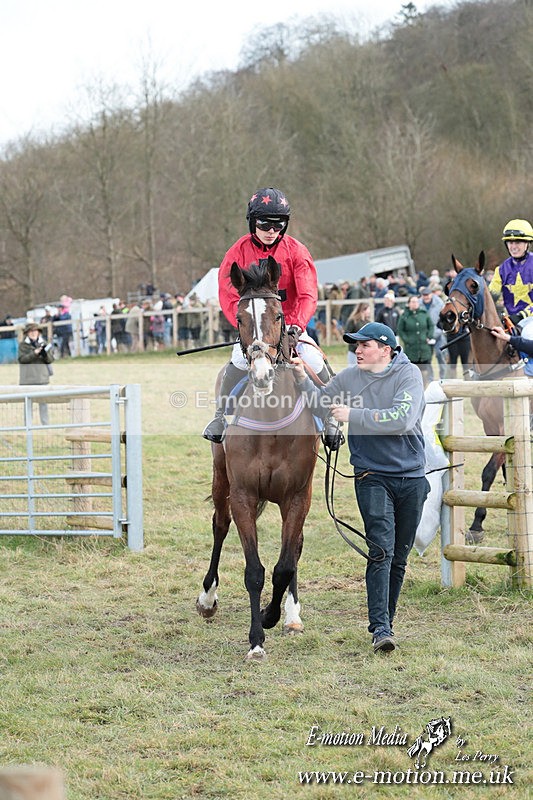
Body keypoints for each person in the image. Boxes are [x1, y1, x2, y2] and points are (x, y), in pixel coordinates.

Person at [292, 322, 429, 653]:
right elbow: (321, 404)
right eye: (355, 345)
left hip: (411, 477)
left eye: (364, 345)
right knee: (381, 549)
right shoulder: (350, 377)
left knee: (399, 555)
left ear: (386, 350)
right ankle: (380, 627)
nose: (357, 350)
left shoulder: (408, 376)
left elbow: (402, 419)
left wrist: (355, 414)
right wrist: (301, 378)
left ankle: (387, 621)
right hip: (371, 475)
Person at [202, 186, 342, 449]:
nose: (271, 231)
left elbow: (308, 293)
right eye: (265, 224)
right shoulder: (237, 252)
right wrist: (247, 328)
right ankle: (220, 418)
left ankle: (332, 417)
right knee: (238, 361)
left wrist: (297, 325)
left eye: (278, 225)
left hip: (290, 327)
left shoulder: (297, 252)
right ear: (253, 222)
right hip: (255, 328)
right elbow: (228, 295)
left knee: (313, 358)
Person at [489, 219, 533, 324]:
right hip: (510, 321)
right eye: (510, 242)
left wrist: (522, 315)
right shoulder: (500, 270)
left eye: (517, 242)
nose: (513, 247)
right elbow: (490, 296)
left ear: (528, 243)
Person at [18, 322, 54, 425]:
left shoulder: (44, 343)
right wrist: (34, 353)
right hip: (28, 380)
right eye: (31, 331)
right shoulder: (23, 346)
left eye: (35, 331)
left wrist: (44, 354)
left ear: (38, 332)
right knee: (28, 405)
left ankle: (45, 425)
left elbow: (50, 360)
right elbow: (22, 359)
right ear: (27, 333)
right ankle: (28, 426)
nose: (33, 333)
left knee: (43, 404)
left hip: (42, 379)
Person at [397, 295, 434, 387]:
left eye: (417, 302)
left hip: (424, 347)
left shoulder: (424, 314)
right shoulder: (404, 316)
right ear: (409, 304)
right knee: (413, 370)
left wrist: (429, 336)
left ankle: (424, 388)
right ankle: (414, 387)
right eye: (413, 302)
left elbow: (431, 326)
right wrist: (407, 340)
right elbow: (400, 330)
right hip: (411, 348)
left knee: (424, 370)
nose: (415, 304)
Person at [420, 286, 447, 380]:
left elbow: (444, 319)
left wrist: (439, 331)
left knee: (440, 355)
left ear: (431, 294)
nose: (426, 297)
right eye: (424, 295)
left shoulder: (439, 303)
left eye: (427, 295)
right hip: (425, 336)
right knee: (427, 358)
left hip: (438, 334)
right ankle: (430, 379)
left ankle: (443, 378)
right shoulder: (419, 304)